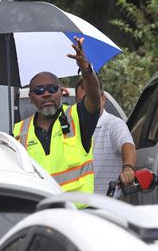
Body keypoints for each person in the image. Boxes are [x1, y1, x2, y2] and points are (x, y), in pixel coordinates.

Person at [13, 36, 100, 193]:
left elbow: (94, 98)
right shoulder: (18, 133)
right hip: (40, 209)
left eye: (52, 89)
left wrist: (86, 70)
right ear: (31, 98)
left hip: (78, 210)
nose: (46, 94)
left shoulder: (77, 117)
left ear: (61, 92)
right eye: (39, 91)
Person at [76, 80, 137, 197]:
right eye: (81, 101)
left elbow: (127, 144)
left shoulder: (114, 124)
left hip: (106, 207)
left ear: (102, 99)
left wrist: (128, 167)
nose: (87, 104)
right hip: (76, 206)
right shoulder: (71, 128)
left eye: (90, 99)